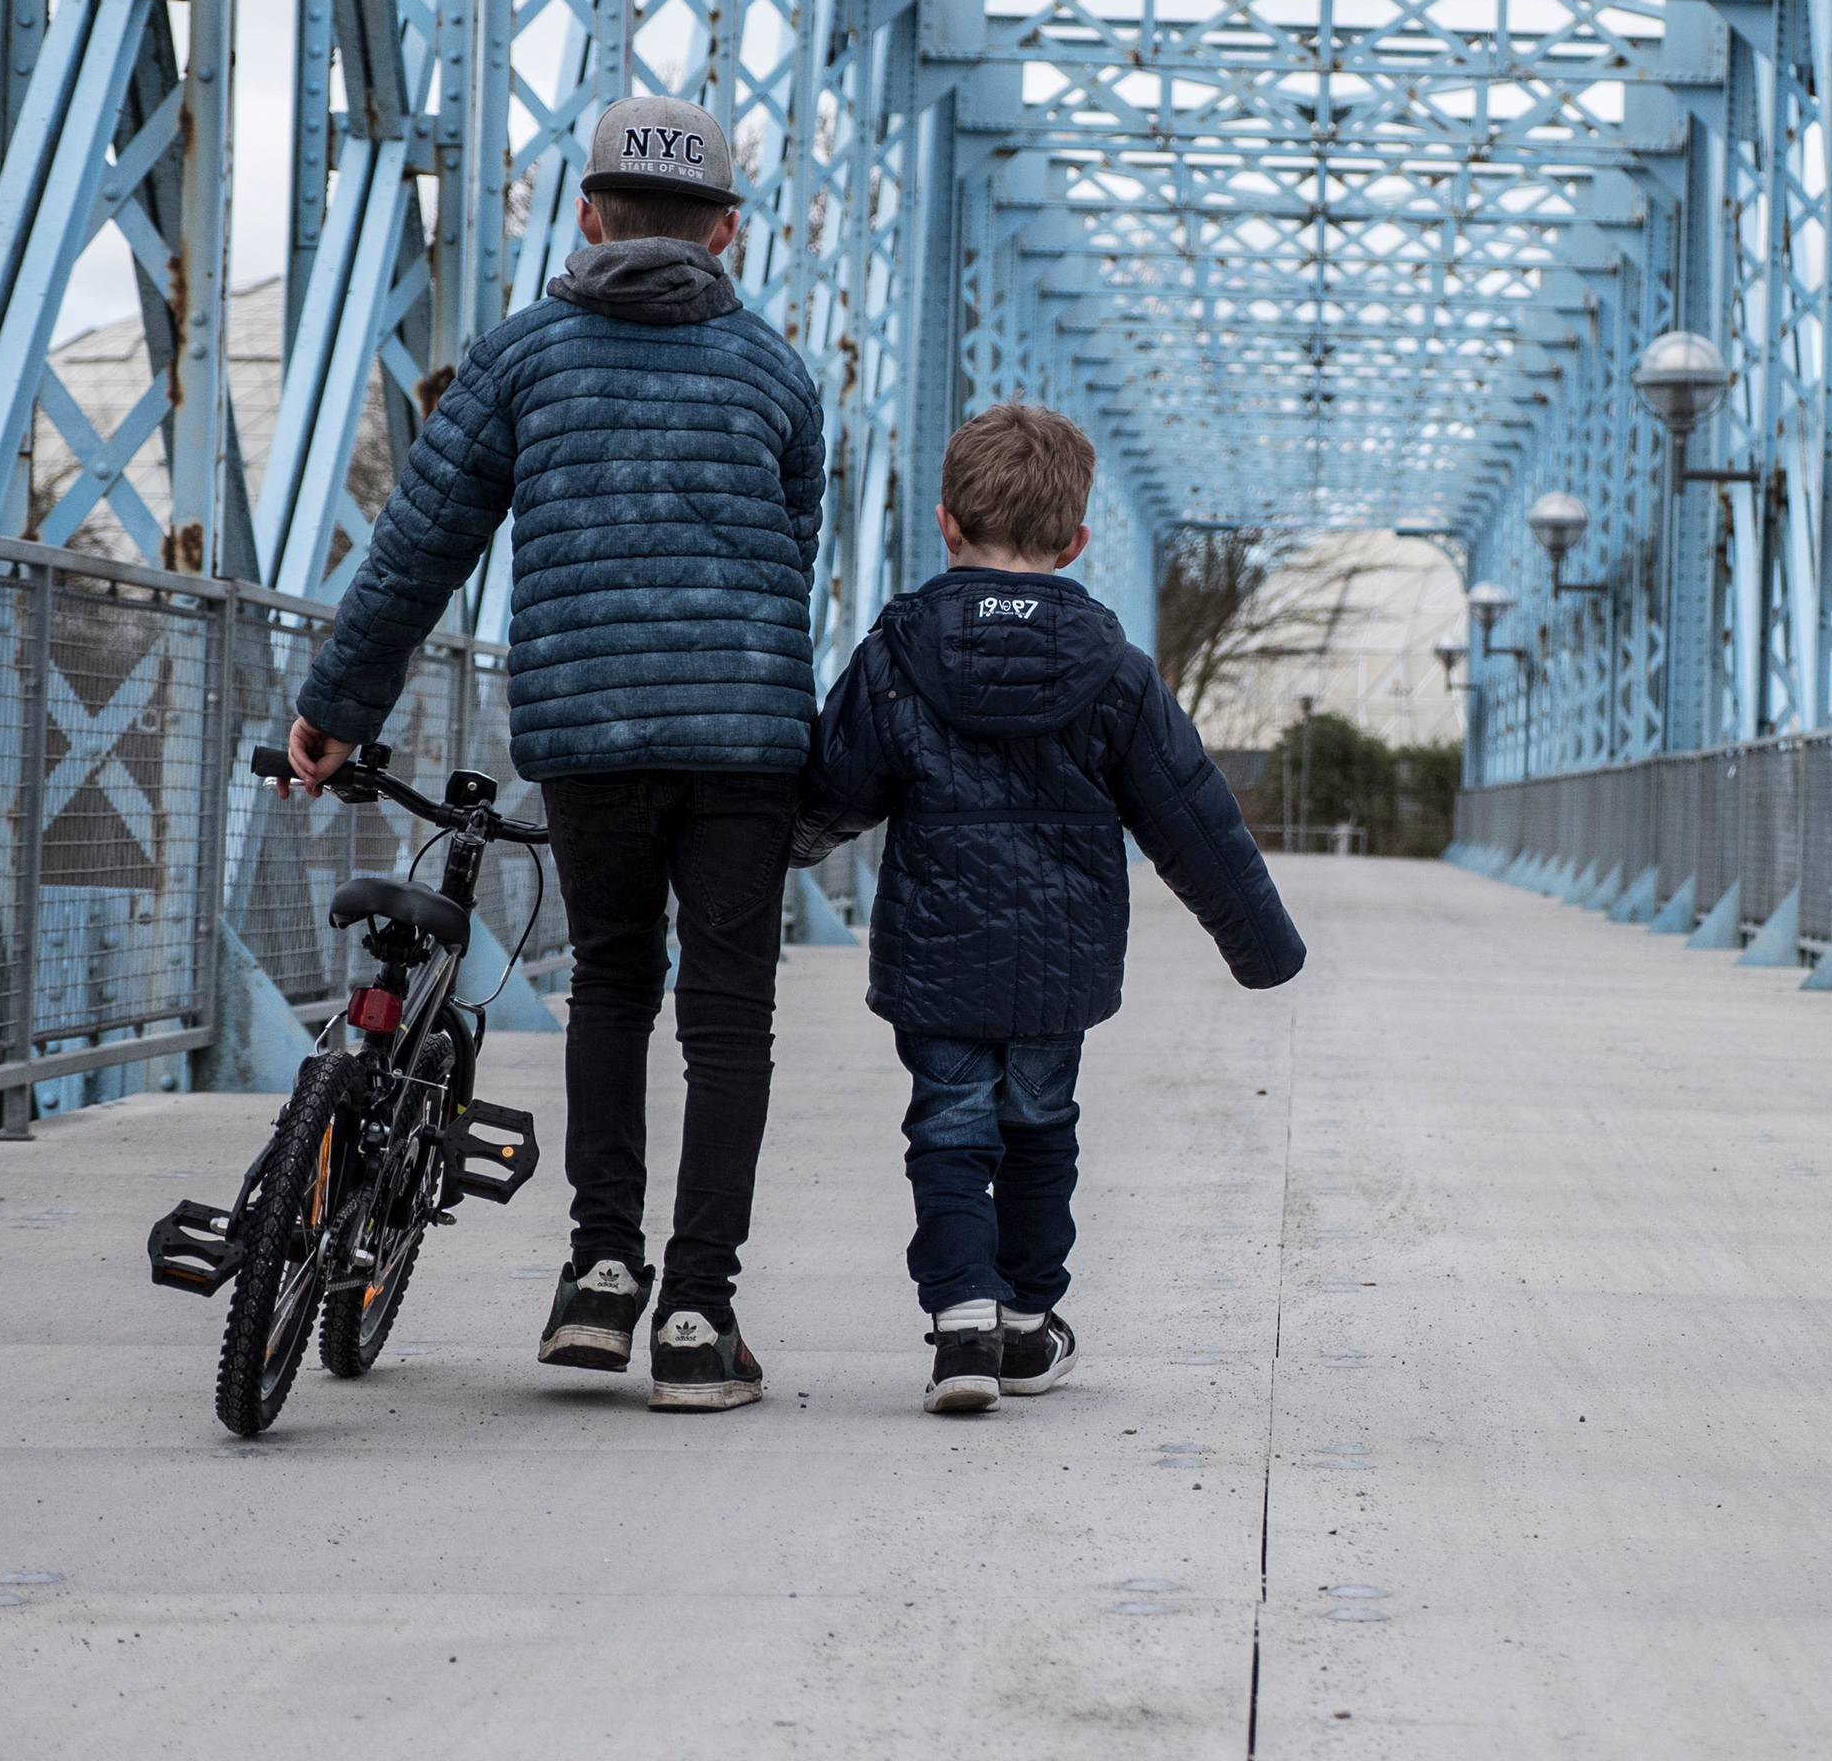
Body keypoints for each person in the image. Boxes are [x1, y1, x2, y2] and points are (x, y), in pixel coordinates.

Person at [284, 93, 822, 1413]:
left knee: (617, 986)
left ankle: (597, 1278)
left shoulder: (521, 358)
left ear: (586, 217)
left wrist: (339, 703)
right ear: (729, 234)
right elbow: (791, 556)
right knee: (731, 1018)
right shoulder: (775, 372)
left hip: (587, 730)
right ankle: (698, 1319)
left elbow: (418, 549)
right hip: (745, 734)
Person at [789, 403, 1303, 1413]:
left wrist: (767, 859)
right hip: (1059, 959)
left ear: (946, 523)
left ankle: (961, 1326)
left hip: (935, 953)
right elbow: (1189, 815)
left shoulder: (898, 652)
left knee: (946, 1127)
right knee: (1039, 1126)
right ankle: (1028, 1319)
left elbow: (833, 790)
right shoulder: (1113, 669)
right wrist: (1262, 946)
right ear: (1075, 542)